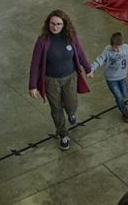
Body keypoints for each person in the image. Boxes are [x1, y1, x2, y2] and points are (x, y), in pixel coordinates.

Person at [28, 10, 92, 151]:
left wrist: (88, 68)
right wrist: (32, 85)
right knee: (56, 109)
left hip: (70, 78)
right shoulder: (42, 41)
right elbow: (35, 63)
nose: (55, 27)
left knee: (71, 104)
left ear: (64, 25)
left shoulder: (71, 37)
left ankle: (71, 113)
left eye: (58, 24)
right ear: (48, 23)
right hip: (51, 81)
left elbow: (80, 53)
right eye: (52, 24)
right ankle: (63, 134)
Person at [88, 32, 128, 123]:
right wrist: (91, 69)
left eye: (120, 47)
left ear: (123, 44)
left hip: (122, 76)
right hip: (111, 79)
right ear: (112, 45)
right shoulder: (107, 51)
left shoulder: (125, 48)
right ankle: (124, 112)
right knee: (119, 97)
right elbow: (99, 60)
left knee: (124, 93)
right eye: (115, 47)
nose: (118, 49)